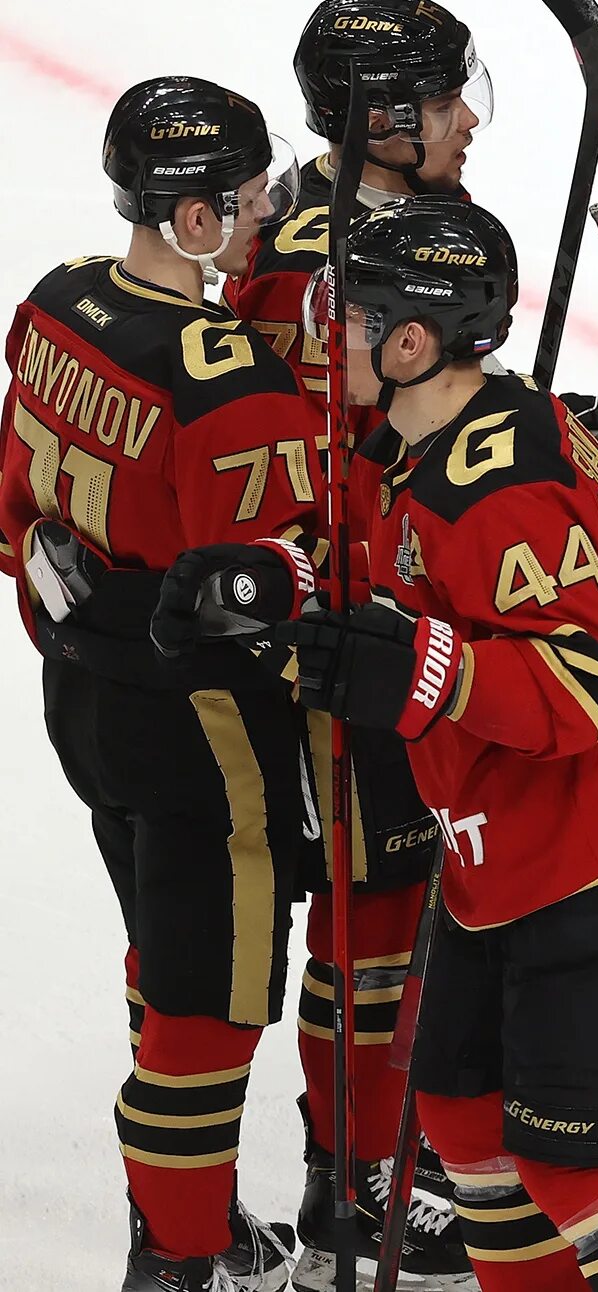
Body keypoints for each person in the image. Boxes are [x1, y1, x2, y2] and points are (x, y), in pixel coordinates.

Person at [159, 197, 598, 1292]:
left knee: (586, 1180)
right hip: (489, 858)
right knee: (468, 1136)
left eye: (348, 317)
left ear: (412, 341)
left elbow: (584, 691)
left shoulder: (500, 489)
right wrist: (265, 579)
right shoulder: (423, 446)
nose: (328, 336)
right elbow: (377, 566)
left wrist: (420, 671)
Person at [0, 76, 310, 1291]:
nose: (260, 216)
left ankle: (180, 1225)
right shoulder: (226, 378)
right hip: (203, 723)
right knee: (211, 1000)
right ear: (187, 218)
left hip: (83, 697)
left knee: (160, 943)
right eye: (240, 200)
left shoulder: (56, 302)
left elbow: (14, 498)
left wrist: (50, 577)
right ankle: (187, 1260)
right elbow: (268, 591)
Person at [223, 0, 492, 1289]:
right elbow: (303, 461)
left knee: (398, 909)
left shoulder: (400, 223)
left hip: (410, 613)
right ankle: (353, 1182)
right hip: (344, 632)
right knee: (371, 914)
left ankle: (379, 1154)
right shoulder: (310, 267)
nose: (470, 125)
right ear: (382, 119)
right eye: (445, 103)